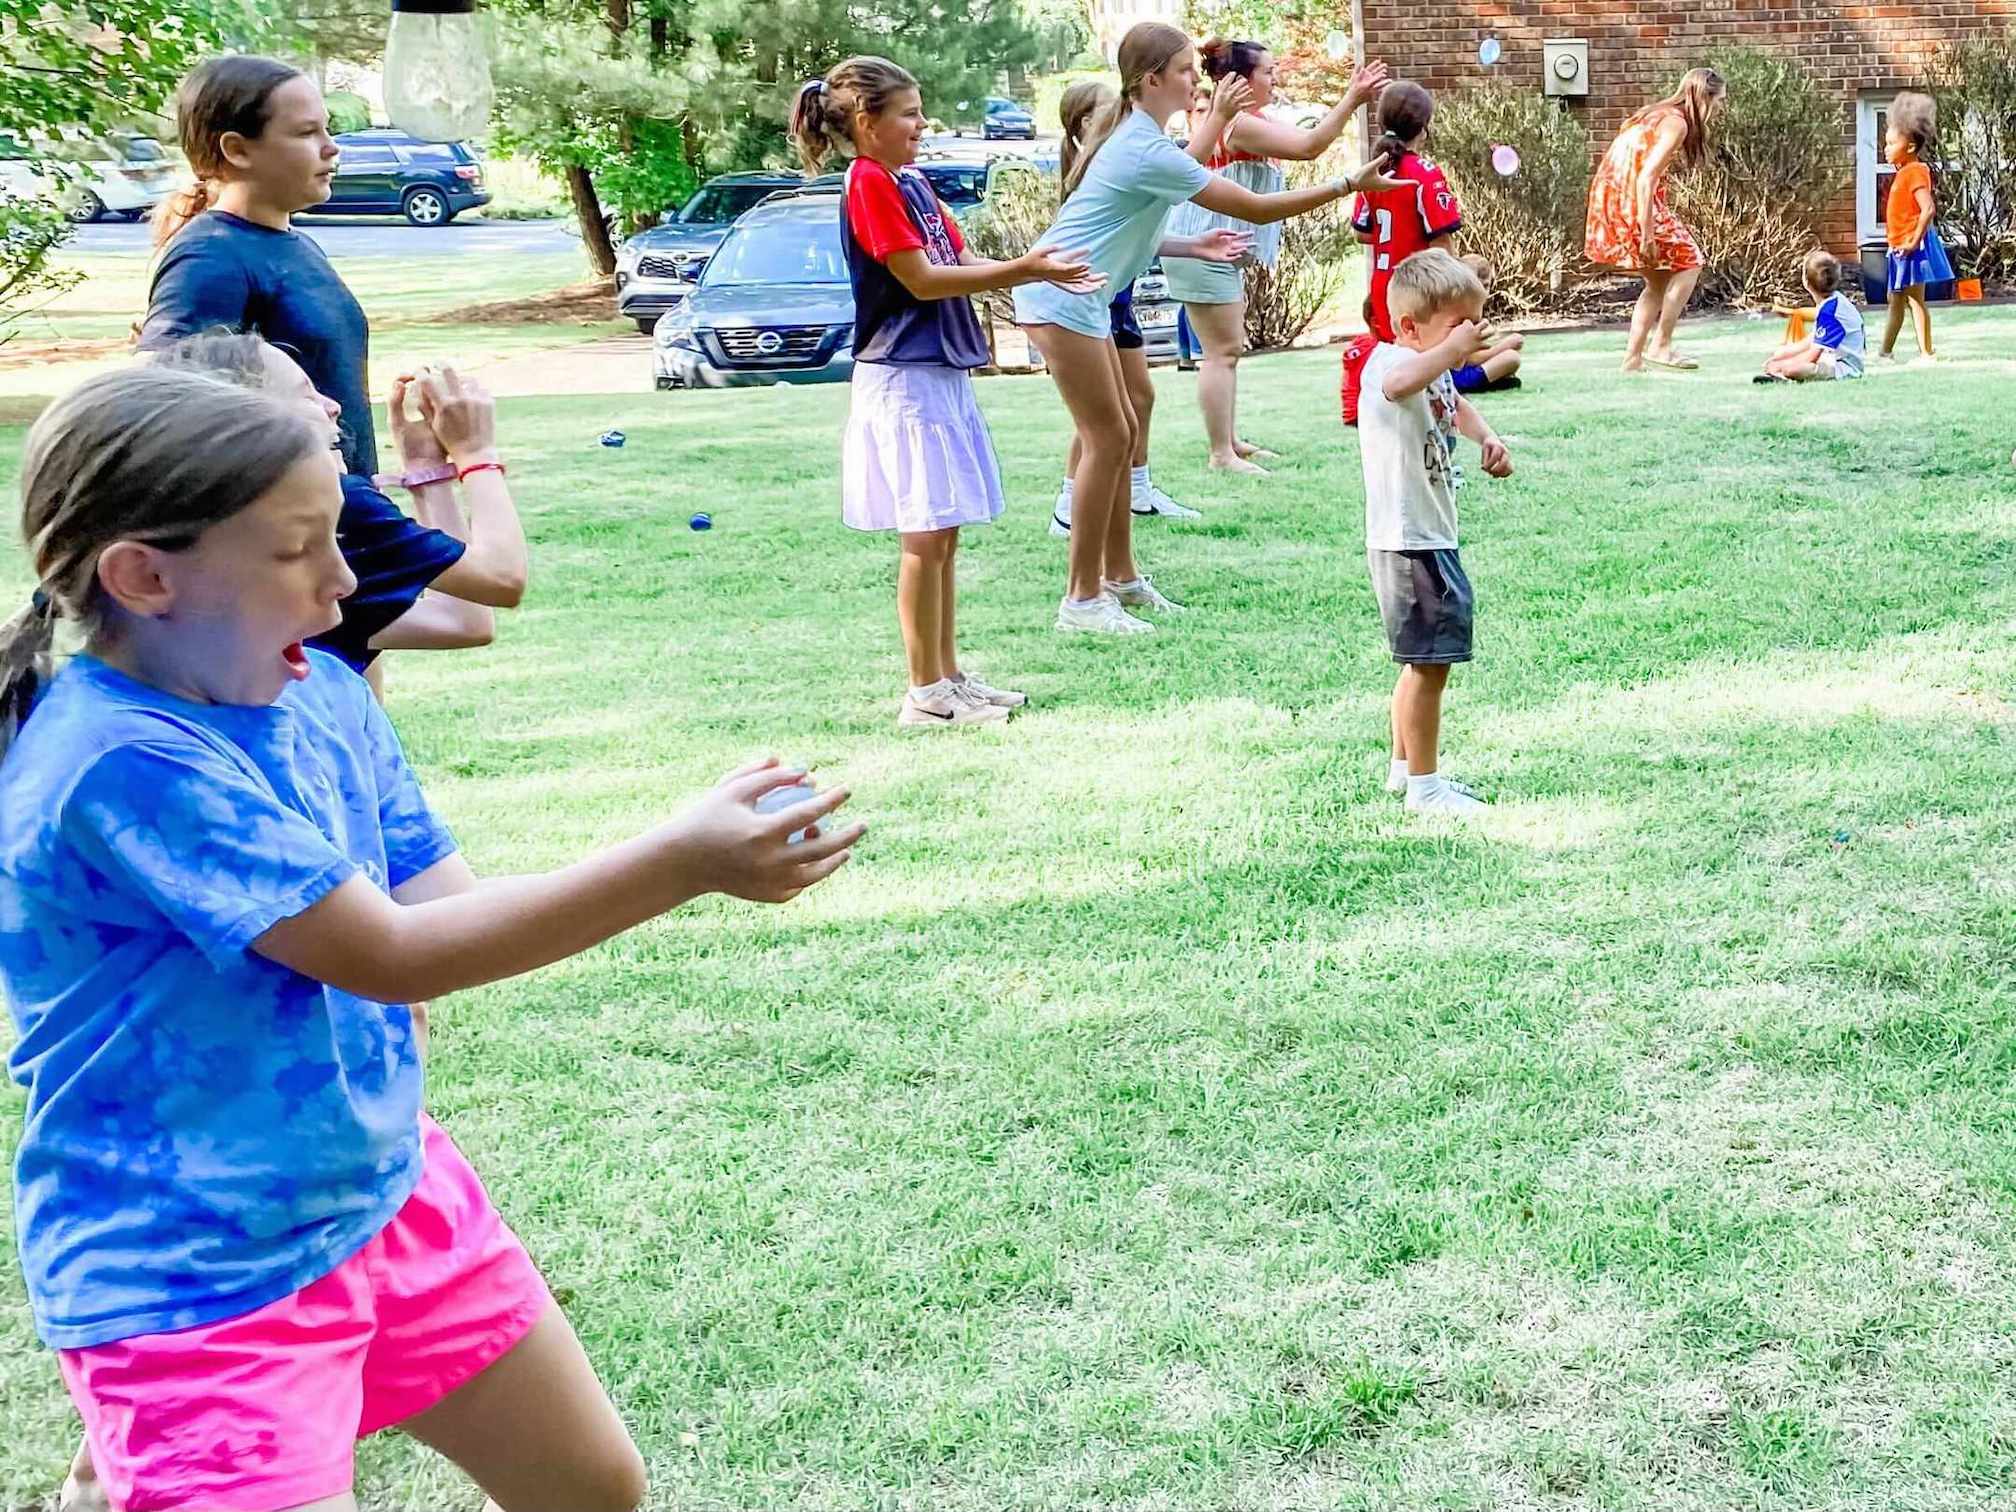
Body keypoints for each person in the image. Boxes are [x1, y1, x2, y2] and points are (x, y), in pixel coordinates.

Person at [0, 365, 861, 1512]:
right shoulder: (122, 760)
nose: (345, 581)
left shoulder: (320, 696)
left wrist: (686, 854)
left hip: (384, 1194)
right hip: (197, 1276)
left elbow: (443, 914)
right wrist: (680, 861)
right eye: (299, 549)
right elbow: (391, 955)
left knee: (590, 1488)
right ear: (144, 576)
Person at [1013, 21, 1400, 636]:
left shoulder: (1141, 136)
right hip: (1060, 297)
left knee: (1121, 430)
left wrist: (1197, 217)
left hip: (1080, 296)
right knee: (1107, 438)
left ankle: (1122, 578)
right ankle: (1082, 599)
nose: (1197, 79)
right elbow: (1254, 207)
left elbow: (1164, 189)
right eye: (1186, 70)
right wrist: (1349, 183)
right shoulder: (1140, 143)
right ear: (1152, 80)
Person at [791, 57, 1101, 726]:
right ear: (867, 122)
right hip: (903, 378)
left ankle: (950, 676)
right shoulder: (868, 182)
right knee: (923, 538)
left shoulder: (911, 183)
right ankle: (925, 693)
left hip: (938, 370)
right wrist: (1025, 269)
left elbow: (959, 262)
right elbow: (922, 280)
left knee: (944, 535)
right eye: (908, 113)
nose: (922, 123)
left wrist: (1036, 269)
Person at [148, 333, 529, 690]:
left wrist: (425, 470)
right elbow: (501, 578)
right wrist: (476, 454)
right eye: (306, 395)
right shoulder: (325, 504)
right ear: (252, 421)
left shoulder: (208, 522)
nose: (333, 406)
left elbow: (463, 622)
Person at [138, 55, 379, 478]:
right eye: (306, 132)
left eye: (327, 129)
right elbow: (163, 404)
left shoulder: (298, 246)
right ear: (237, 150)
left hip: (343, 506)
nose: (331, 147)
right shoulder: (211, 255)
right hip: (290, 513)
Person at [1161, 39, 1390, 474]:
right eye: (1267, 71)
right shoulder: (1238, 125)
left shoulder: (1246, 120)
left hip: (1214, 248)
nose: (1275, 78)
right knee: (1221, 352)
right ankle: (1220, 453)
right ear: (1242, 81)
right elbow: (1309, 146)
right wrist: (1353, 97)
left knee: (1226, 349)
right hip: (1201, 246)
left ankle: (1229, 441)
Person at [1049, 79, 1254, 537]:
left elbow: (1144, 234)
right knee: (1102, 417)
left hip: (1115, 296)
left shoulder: (1119, 152)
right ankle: (1068, 505)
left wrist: (1194, 246)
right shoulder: (1107, 161)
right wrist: (1219, 117)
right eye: (1112, 110)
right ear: (1086, 124)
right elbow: (1186, 170)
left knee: (1139, 397)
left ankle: (1138, 491)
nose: (1124, 116)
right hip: (1088, 298)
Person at [1356, 250, 1512, 816]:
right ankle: (1426, 788)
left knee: (1419, 661)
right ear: (1409, 326)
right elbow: (1400, 383)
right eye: (1458, 325)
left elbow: (1454, 402)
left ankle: (1404, 769)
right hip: (1409, 540)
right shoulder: (1391, 361)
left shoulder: (1430, 365)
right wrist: (1450, 350)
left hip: (1429, 534)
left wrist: (1487, 436)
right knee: (1430, 665)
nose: (1470, 336)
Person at [1584, 67, 1727, 374]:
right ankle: (1661, 344)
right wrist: (1647, 232)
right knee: (1691, 261)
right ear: (1705, 97)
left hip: (1611, 197)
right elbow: (1646, 177)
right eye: (1718, 101)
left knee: (1659, 281)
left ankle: (1632, 360)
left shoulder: (1655, 114)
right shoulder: (1677, 123)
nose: (1719, 109)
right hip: (1630, 198)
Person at [1876, 92, 1950, 366]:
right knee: (1895, 300)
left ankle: (1927, 354)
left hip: (1910, 248)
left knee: (1915, 300)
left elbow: (1928, 209)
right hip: (1898, 248)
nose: (1886, 149)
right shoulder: (1902, 172)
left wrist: (1912, 241)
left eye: (1891, 144)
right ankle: (1885, 353)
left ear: (1909, 146)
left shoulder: (1916, 171)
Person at [1756, 250, 1865, 382]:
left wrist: (1783, 366)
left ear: (1806, 282)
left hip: (1844, 368)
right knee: (1782, 356)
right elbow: (1813, 339)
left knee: (1793, 369)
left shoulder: (1829, 312)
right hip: (1834, 359)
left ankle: (1781, 375)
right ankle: (1781, 371)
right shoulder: (1834, 301)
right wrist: (1783, 354)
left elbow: (1812, 356)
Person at [1454, 255, 1524, 392]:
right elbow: (1468, 359)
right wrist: (1503, 347)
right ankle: (1470, 384)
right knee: (1511, 358)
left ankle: (1493, 380)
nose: (1485, 292)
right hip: (1455, 375)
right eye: (1481, 286)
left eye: (1487, 286)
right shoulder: (1462, 316)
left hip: (1466, 369)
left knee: (1509, 359)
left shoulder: (1472, 312)